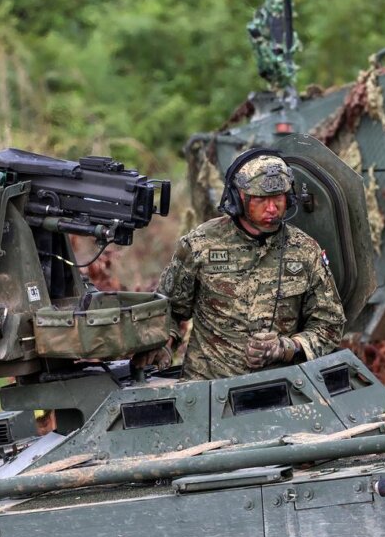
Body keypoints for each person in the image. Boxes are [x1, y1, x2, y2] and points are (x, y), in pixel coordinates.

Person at [137, 150, 345, 379]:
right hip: (207, 390)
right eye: (260, 199)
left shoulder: (305, 251)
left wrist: (287, 348)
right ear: (238, 199)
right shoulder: (200, 244)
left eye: (278, 198)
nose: (272, 208)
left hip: (282, 390)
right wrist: (164, 344)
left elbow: (329, 325)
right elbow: (170, 309)